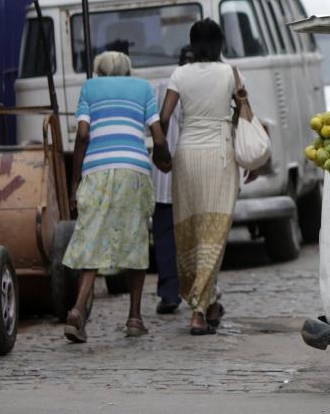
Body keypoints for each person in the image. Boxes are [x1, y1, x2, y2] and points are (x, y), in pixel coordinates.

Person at [63, 51, 171, 343]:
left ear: (99, 70)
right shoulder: (143, 88)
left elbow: (83, 135)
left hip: (97, 170)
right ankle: (134, 318)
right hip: (133, 170)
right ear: (127, 70)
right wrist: (164, 160)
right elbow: (158, 138)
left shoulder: (89, 88)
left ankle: (76, 310)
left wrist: (75, 179)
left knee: (92, 239)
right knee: (136, 240)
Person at [159, 19, 257, 335]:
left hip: (187, 154)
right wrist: (254, 159)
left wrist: (161, 153)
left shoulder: (179, 74)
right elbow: (246, 115)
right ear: (219, 45)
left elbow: (163, 118)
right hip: (219, 153)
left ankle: (210, 301)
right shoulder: (231, 73)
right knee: (214, 233)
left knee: (192, 232)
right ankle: (199, 313)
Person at [150, 45, 194, 315]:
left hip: (167, 174)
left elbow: (155, 124)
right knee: (188, 237)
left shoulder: (161, 87)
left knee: (167, 237)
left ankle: (171, 292)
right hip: (188, 174)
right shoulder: (207, 83)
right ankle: (185, 292)